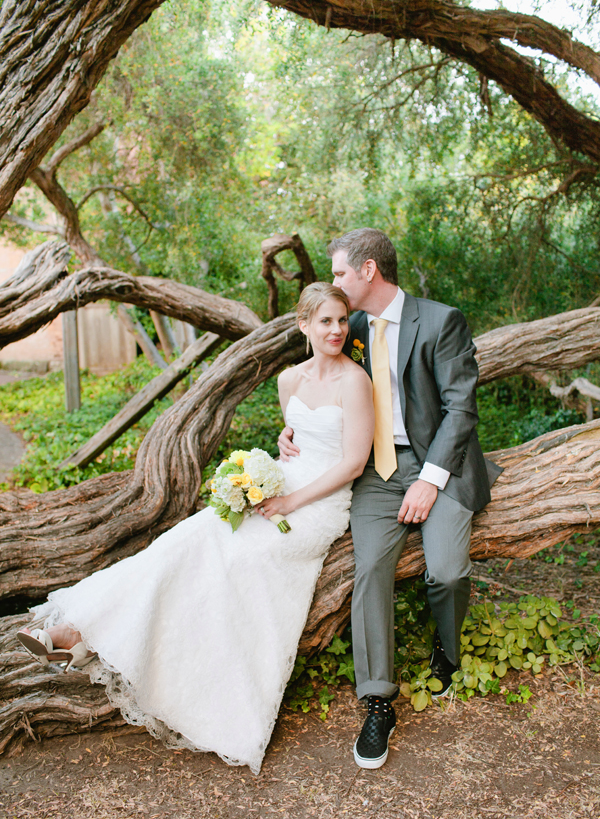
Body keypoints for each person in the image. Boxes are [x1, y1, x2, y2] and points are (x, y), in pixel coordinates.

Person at [17, 282, 374, 775]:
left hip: (318, 505)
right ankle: (77, 631)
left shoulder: (354, 381)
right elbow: (295, 436)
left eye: (342, 320)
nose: (336, 330)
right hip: (280, 486)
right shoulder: (288, 380)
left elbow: (354, 460)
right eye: (325, 321)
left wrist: (290, 499)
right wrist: (274, 454)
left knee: (242, 558)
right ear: (303, 326)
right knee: (188, 538)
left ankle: (101, 645)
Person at [278, 229, 501, 770]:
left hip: (436, 466)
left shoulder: (440, 320)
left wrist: (431, 479)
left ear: (369, 271)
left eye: (338, 272)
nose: (333, 282)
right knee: (369, 571)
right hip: (373, 473)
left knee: (446, 572)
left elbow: (461, 410)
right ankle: (378, 700)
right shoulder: (344, 326)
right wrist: (290, 434)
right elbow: (318, 389)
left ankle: (446, 648)